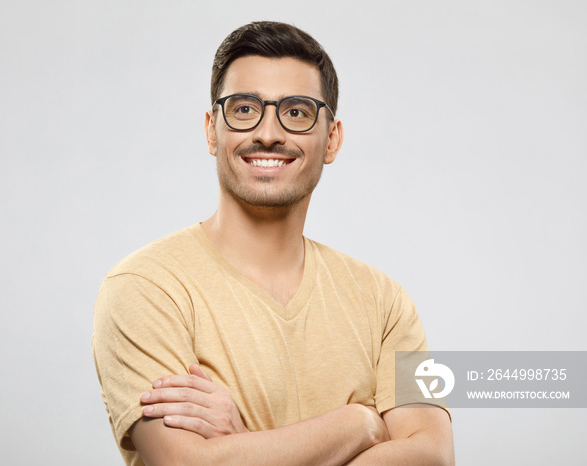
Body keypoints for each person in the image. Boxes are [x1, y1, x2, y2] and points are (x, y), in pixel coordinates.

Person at [93, 21, 454, 466]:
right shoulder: (146, 288)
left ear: (332, 140)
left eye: (297, 112)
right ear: (212, 130)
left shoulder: (385, 303)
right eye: (244, 109)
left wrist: (244, 444)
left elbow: (433, 454)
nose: (268, 133)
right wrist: (359, 424)